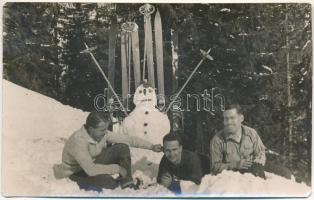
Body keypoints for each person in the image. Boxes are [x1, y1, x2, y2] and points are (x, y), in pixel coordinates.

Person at [53, 111, 162, 192]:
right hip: (76, 173)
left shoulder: (102, 134)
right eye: (102, 130)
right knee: (108, 183)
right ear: (91, 129)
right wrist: (117, 168)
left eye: (106, 129)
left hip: (93, 163)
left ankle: (127, 183)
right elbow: (90, 170)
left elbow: (128, 140)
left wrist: (151, 146)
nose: (105, 133)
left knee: (122, 147)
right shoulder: (78, 141)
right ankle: (115, 183)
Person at [210, 104, 266, 179]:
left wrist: (258, 162)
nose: (229, 122)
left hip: (253, 172)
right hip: (232, 177)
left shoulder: (251, 133)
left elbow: (261, 152)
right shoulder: (217, 140)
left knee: (284, 173)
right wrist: (235, 165)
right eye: (226, 119)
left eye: (232, 118)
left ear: (241, 118)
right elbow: (214, 167)